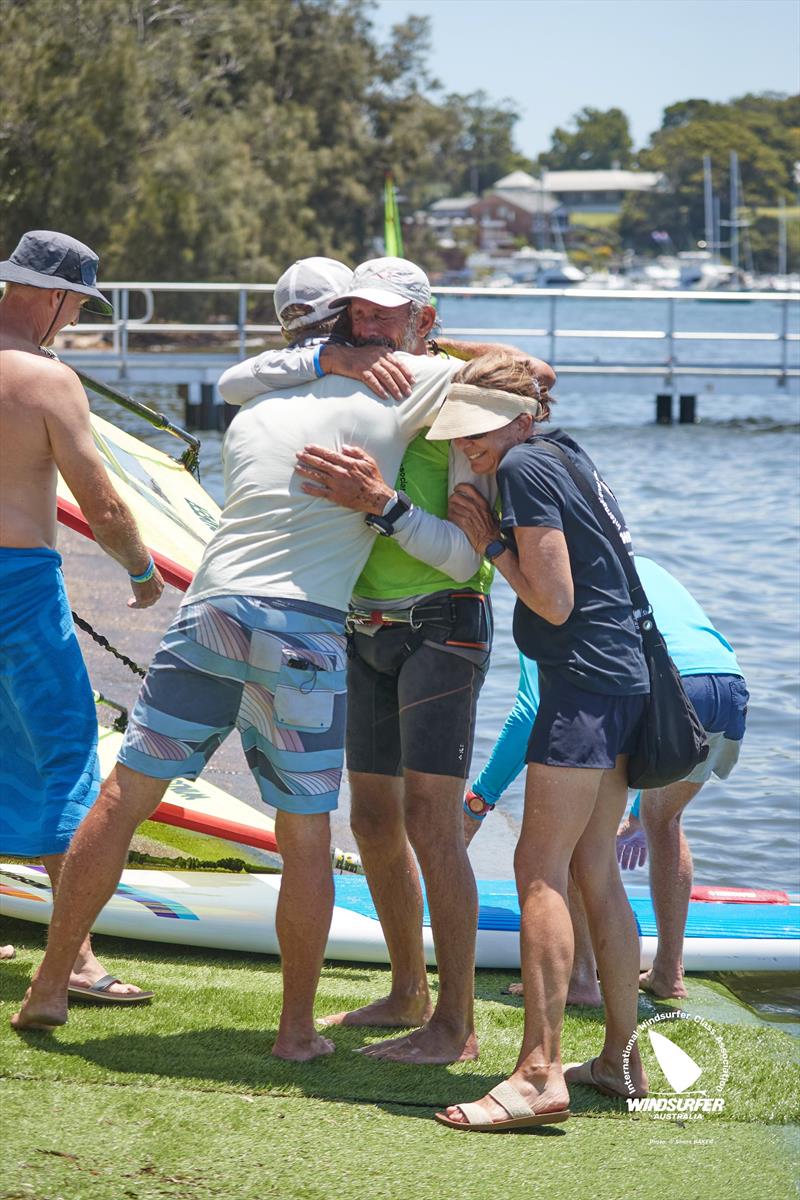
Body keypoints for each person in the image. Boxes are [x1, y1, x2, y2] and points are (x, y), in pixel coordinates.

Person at [11, 258, 463, 1059]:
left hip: (209, 612)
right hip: (305, 628)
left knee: (121, 799)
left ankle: (50, 986)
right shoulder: (404, 389)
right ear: (354, 321)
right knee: (304, 832)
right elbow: (519, 377)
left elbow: (238, 375)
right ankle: (294, 1033)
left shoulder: (253, 406)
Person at [221, 256, 555, 1065]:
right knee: (369, 818)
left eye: (389, 316)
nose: (371, 328)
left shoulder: (459, 394)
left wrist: (384, 501)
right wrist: (330, 358)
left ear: (422, 320)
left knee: (429, 822)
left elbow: (528, 394)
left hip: (445, 621)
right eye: (359, 314)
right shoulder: (342, 372)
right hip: (357, 623)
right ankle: (408, 987)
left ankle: (457, 1023)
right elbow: (235, 381)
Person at [426, 352, 649, 1131]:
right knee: (593, 865)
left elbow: (554, 601)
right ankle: (619, 1059)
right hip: (625, 678)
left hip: (581, 680)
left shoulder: (521, 468)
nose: (468, 447)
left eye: (478, 430)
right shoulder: (568, 454)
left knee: (539, 867)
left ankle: (537, 1073)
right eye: (459, 433)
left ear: (521, 419)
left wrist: (489, 545)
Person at [463, 556, 749, 1003]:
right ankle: (669, 972)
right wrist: (636, 811)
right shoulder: (641, 563)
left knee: (579, 830)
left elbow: (530, 710)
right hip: (726, 687)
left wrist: (480, 799)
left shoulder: (551, 587)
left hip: (667, 689)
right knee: (663, 819)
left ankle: (581, 979)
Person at [0, 230, 164, 1000]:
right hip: (19, 586)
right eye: (76, 305)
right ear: (57, 297)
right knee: (67, 756)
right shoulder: (45, 378)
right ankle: (77, 963)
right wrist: (140, 570)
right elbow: (99, 499)